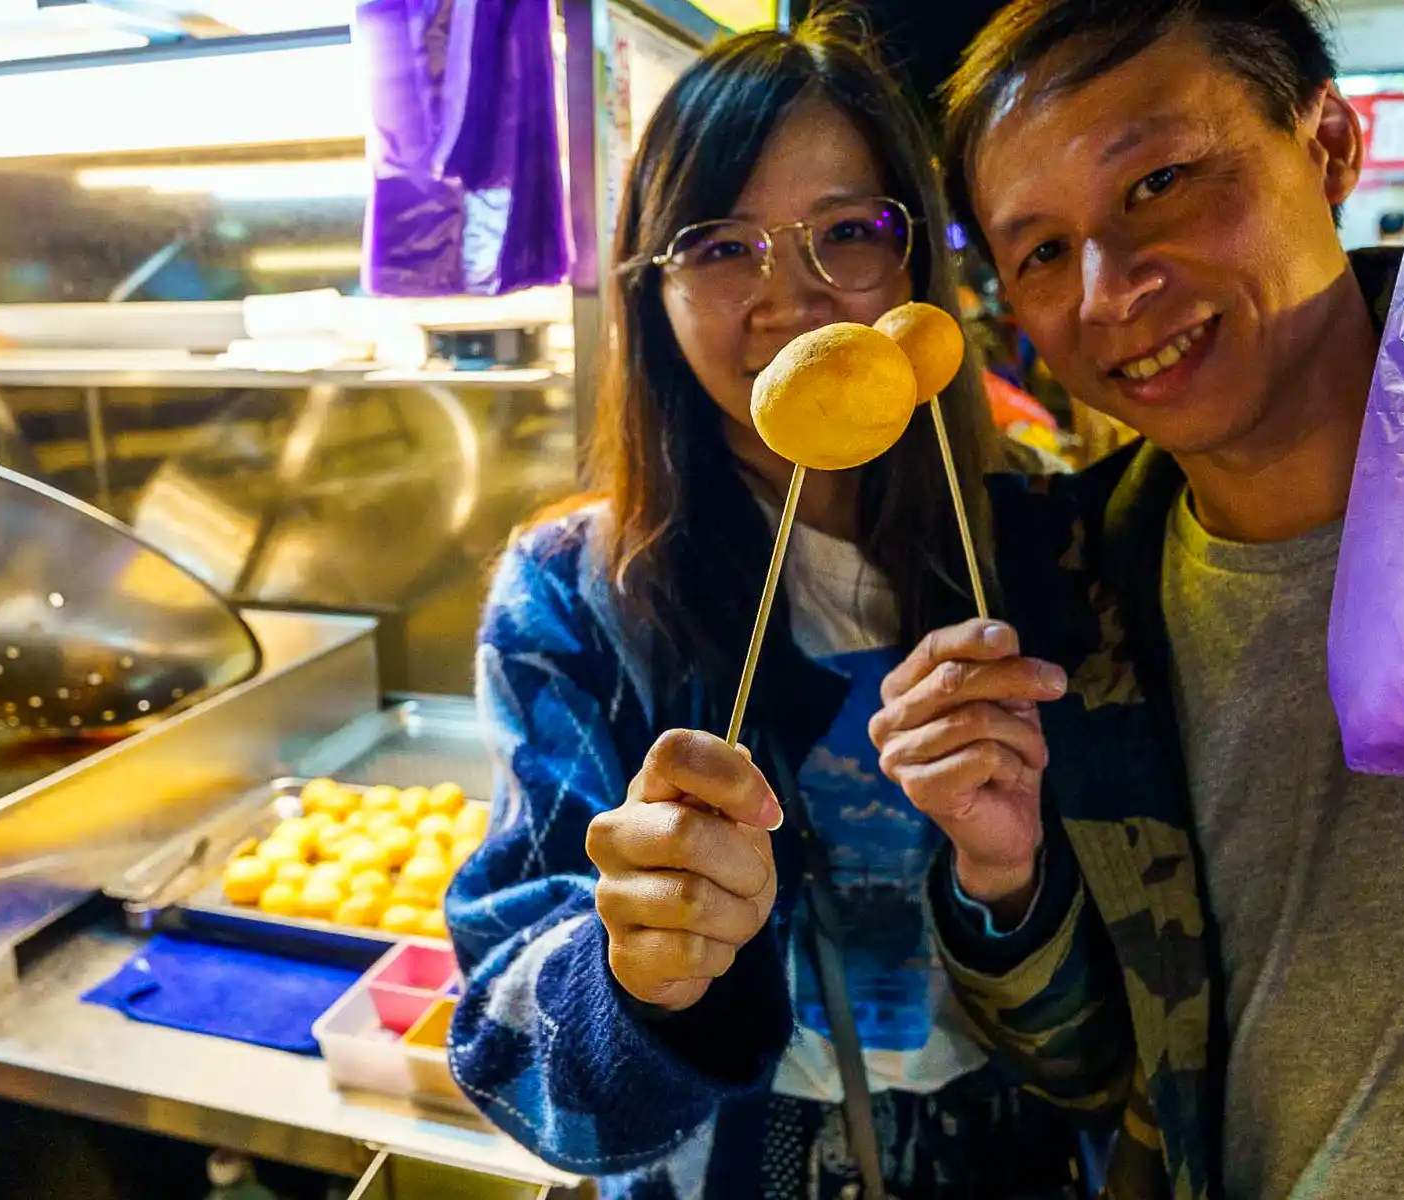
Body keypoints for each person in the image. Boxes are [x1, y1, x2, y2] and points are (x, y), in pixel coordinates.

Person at [445, 16, 1082, 1200]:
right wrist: (638, 975)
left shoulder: (1045, 538)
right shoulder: (577, 597)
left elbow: (1159, 963)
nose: (790, 297)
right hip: (736, 1163)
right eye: (720, 245)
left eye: (845, 231)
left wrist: (1010, 881)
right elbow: (510, 1060)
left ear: (913, 274)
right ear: (651, 289)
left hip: (1024, 1147)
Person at [867, 1, 1404, 1197]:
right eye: (1039, 251)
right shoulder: (1063, 603)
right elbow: (1094, 1070)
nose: (1110, 289)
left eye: (1158, 183)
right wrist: (1003, 876)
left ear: (1329, 147)